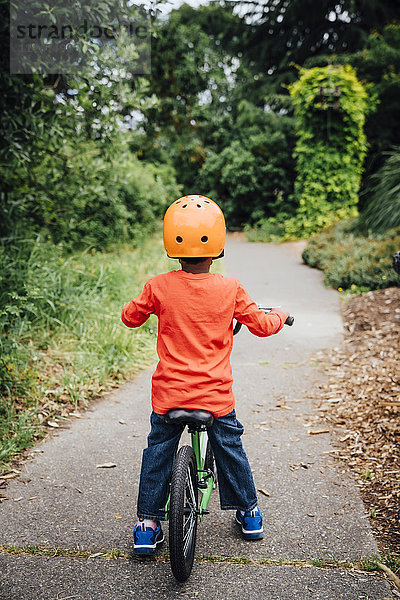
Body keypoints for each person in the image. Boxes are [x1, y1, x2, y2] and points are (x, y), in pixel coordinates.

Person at [121, 195, 289, 555]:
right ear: (218, 245)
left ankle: (147, 526)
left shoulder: (158, 287)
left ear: (171, 244)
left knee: (158, 453)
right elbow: (260, 325)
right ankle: (250, 513)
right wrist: (279, 315)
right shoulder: (230, 289)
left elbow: (129, 317)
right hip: (214, 398)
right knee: (230, 448)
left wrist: (145, 306)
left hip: (169, 397)